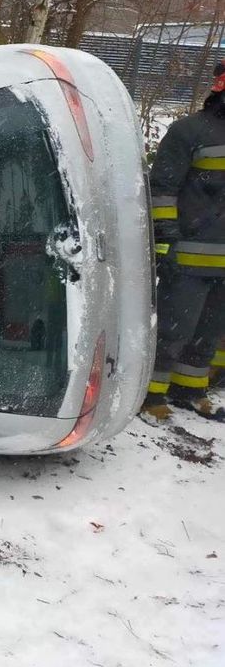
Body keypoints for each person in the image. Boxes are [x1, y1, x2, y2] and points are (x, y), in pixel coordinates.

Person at [142, 60, 225, 423]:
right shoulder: (188, 132)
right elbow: (162, 189)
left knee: (210, 332)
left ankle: (189, 389)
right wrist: (166, 240)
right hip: (189, 255)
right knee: (176, 329)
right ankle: (150, 394)